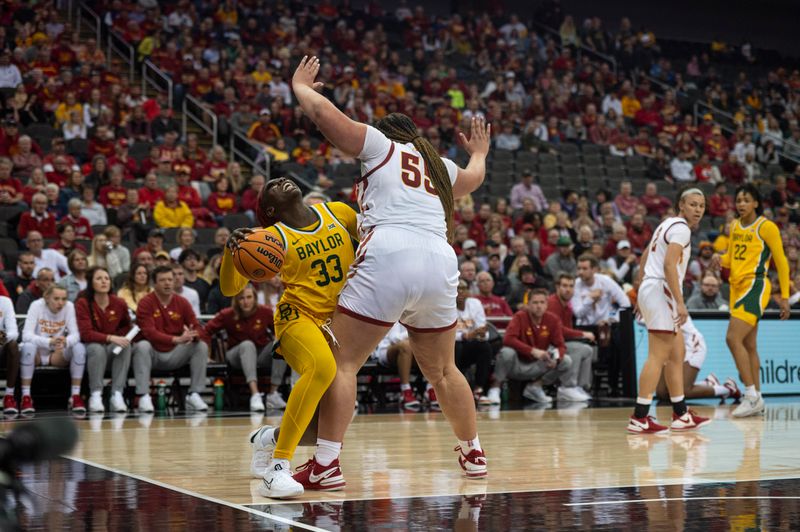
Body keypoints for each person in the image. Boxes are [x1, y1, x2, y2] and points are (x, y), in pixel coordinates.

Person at [288, 56, 490, 488]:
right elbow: (474, 177)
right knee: (444, 371)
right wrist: (480, 152)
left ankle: (325, 464)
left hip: (391, 250)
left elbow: (329, 118)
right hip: (439, 259)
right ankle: (473, 453)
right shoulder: (439, 166)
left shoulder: (381, 145)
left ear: (388, 131)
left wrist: (302, 88)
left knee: (342, 362)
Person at [221, 175, 359, 498]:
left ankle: (268, 439)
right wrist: (232, 252)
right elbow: (230, 288)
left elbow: (373, 238)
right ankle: (278, 469)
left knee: (322, 425)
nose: (279, 180)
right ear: (270, 209)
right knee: (322, 368)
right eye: (270, 186)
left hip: (337, 324)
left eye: (280, 178)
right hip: (297, 317)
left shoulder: (338, 212)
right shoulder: (271, 238)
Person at [628, 186, 710, 434]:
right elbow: (668, 265)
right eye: (693, 204)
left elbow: (644, 256)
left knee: (677, 353)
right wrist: (680, 301)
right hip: (662, 289)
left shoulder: (666, 224)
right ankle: (639, 417)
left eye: (701, 205)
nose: (698, 209)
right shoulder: (682, 229)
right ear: (681, 206)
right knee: (658, 355)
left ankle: (681, 413)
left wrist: (642, 289)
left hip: (652, 288)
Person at [713, 183, 790, 418]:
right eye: (738, 200)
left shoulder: (766, 227)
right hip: (736, 288)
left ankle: (750, 395)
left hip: (755, 286)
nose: (741, 204)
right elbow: (735, 258)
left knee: (732, 338)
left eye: (746, 200)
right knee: (749, 345)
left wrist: (785, 297)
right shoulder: (735, 226)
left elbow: (782, 261)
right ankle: (758, 396)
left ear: (756, 203)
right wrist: (720, 258)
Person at [483, 289, 584, 404]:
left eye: (542, 302)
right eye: (535, 303)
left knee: (565, 360)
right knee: (506, 352)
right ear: (528, 305)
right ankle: (495, 388)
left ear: (547, 304)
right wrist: (532, 351)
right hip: (516, 364)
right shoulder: (519, 317)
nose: (539, 306)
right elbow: (508, 339)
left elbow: (560, 345)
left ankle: (535, 387)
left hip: (538, 364)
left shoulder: (552, 319)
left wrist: (556, 358)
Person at [133, 265, 209, 413]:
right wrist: (176, 339)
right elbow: (149, 332)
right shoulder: (145, 302)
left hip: (176, 354)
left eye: (170, 279)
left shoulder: (182, 302)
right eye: (162, 280)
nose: (167, 283)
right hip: (153, 354)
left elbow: (197, 325)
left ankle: (194, 394)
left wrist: (194, 334)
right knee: (142, 346)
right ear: (154, 284)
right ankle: (143, 396)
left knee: (200, 346)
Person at [203, 284, 288, 412]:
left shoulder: (265, 312)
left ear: (255, 298)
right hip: (236, 355)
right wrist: (207, 355)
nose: (246, 301)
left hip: (260, 353)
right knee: (247, 345)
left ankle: (273, 394)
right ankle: (255, 394)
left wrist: (277, 338)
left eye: (249, 297)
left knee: (281, 343)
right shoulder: (227, 314)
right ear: (236, 300)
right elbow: (205, 331)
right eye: (241, 298)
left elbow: (279, 330)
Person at [20, 285, 87, 414]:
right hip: (37, 354)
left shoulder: (69, 306)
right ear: (46, 298)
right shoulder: (36, 305)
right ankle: (26, 397)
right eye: (56, 298)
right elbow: (26, 335)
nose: (61, 303)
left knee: (79, 348)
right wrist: (48, 342)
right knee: (28, 347)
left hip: (57, 355)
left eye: (64, 299)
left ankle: (75, 396)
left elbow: (76, 335)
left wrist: (66, 341)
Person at [76, 266, 133, 413]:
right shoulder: (83, 303)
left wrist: (120, 336)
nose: (104, 281)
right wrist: (110, 337)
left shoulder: (119, 303)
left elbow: (126, 326)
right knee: (96, 348)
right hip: (91, 348)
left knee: (125, 345)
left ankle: (117, 394)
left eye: (107, 278)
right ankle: (96, 395)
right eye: (99, 278)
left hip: (111, 348)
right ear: (91, 282)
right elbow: (86, 334)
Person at [654, 316, 741, 401]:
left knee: (683, 391)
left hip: (690, 345)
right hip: (670, 348)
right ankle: (708, 384)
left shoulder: (670, 305)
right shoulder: (645, 306)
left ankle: (728, 388)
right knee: (662, 393)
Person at [547, 273, 596, 397]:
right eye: (564, 285)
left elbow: (566, 332)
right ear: (557, 287)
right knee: (578, 349)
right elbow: (559, 331)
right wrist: (582, 334)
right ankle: (567, 387)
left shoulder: (567, 307)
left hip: (558, 344)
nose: (568, 289)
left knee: (587, 350)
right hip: (547, 346)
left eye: (571, 286)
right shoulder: (553, 303)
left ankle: (581, 387)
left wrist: (580, 336)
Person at [370, 322, 427, 410]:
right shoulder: (397, 311)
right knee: (406, 346)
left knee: (432, 346)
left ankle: (431, 388)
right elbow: (394, 338)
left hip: (412, 350)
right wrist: (414, 334)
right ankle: (405, 391)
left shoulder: (418, 315)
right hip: (386, 350)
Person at [453, 279, 494, 403]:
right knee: (457, 346)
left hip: (469, 345)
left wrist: (481, 335)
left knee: (485, 346)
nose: (460, 291)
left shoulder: (475, 303)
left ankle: (479, 389)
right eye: (457, 288)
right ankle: (456, 391)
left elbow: (482, 329)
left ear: (468, 291)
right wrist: (465, 336)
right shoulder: (445, 306)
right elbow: (444, 334)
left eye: (463, 288)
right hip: (450, 348)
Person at [0, 294, 21, 415]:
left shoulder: (5, 302)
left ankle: (9, 396)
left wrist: (2, 338)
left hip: (1, 346)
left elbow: (13, 331)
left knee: (13, 345)